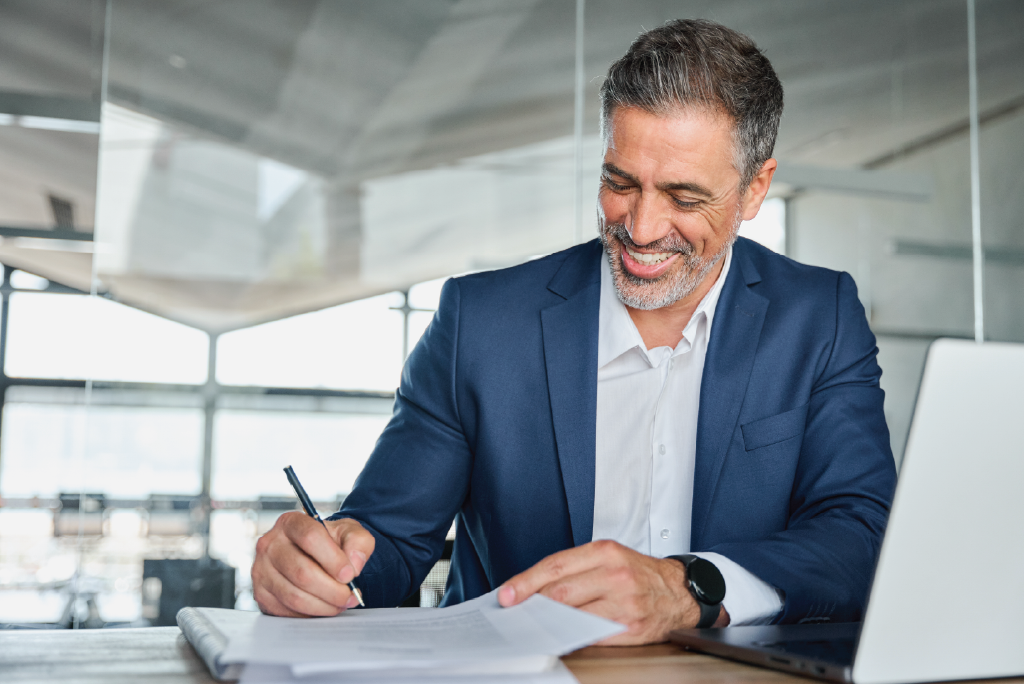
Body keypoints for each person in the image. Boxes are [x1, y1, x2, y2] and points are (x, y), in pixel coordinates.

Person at [251, 18, 896, 644]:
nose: (641, 229)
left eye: (683, 197)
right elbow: (385, 542)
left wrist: (688, 589)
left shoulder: (820, 317)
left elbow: (861, 535)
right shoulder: (479, 323)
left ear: (755, 189)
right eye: (621, 183)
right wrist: (318, 570)